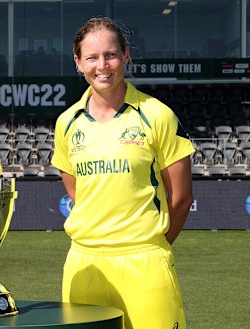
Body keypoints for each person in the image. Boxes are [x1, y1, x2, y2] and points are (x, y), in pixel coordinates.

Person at [51, 17, 195, 329]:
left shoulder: (157, 115)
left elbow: (181, 198)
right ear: (78, 62)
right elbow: (79, 194)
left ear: (125, 55)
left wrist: (152, 245)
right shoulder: (66, 123)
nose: (102, 65)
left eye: (111, 54)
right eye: (91, 57)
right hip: (84, 264)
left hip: (145, 264)